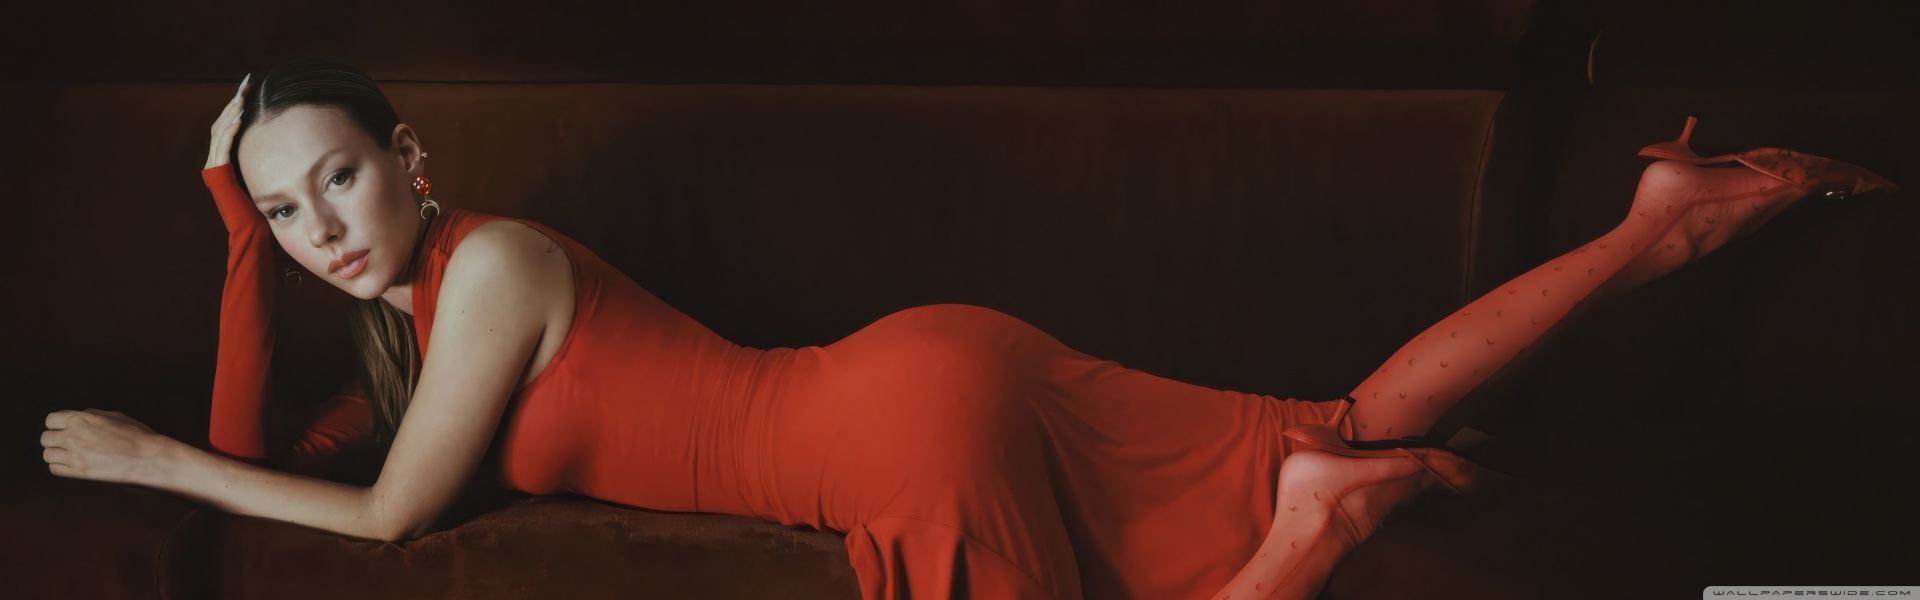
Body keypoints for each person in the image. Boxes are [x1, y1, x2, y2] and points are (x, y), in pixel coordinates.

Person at [37, 57, 1896, 600]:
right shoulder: (416, 330)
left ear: (412, 161)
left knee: (1313, 477)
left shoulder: (500, 266)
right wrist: (227, 244)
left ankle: (1317, 534)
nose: (321, 228)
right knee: (1335, 411)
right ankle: (1662, 224)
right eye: (283, 208)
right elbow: (273, 460)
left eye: (336, 181)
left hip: (896, 436)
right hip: (927, 375)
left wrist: (147, 465)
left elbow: (379, 522)